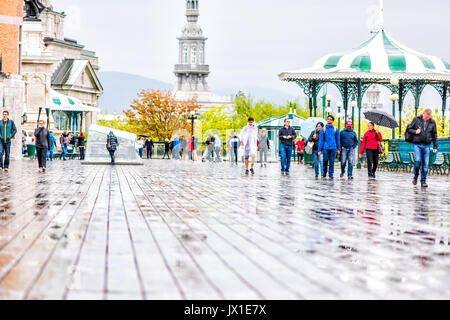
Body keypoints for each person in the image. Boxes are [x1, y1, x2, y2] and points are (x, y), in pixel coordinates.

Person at [406, 109, 438, 188]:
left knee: (425, 164)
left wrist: (435, 146)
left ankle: (423, 181)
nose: (427, 118)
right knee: (417, 161)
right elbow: (409, 129)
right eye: (426, 117)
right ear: (423, 114)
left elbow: (434, 134)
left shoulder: (432, 122)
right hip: (417, 144)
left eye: (429, 117)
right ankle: (415, 176)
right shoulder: (416, 119)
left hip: (427, 145)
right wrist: (415, 131)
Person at [318, 115, 341, 179]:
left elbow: (338, 140)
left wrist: (339, 148)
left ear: (333, 121)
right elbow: (321, 140)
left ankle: (331, 174)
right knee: (325, 161)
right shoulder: (323, 129)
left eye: (330, 119)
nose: (329, 120)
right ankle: (324, 173)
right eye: (328, 119)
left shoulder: (335, 129)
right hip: (326, 148)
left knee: (331, 161)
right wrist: (319, 150)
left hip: (333, 148)